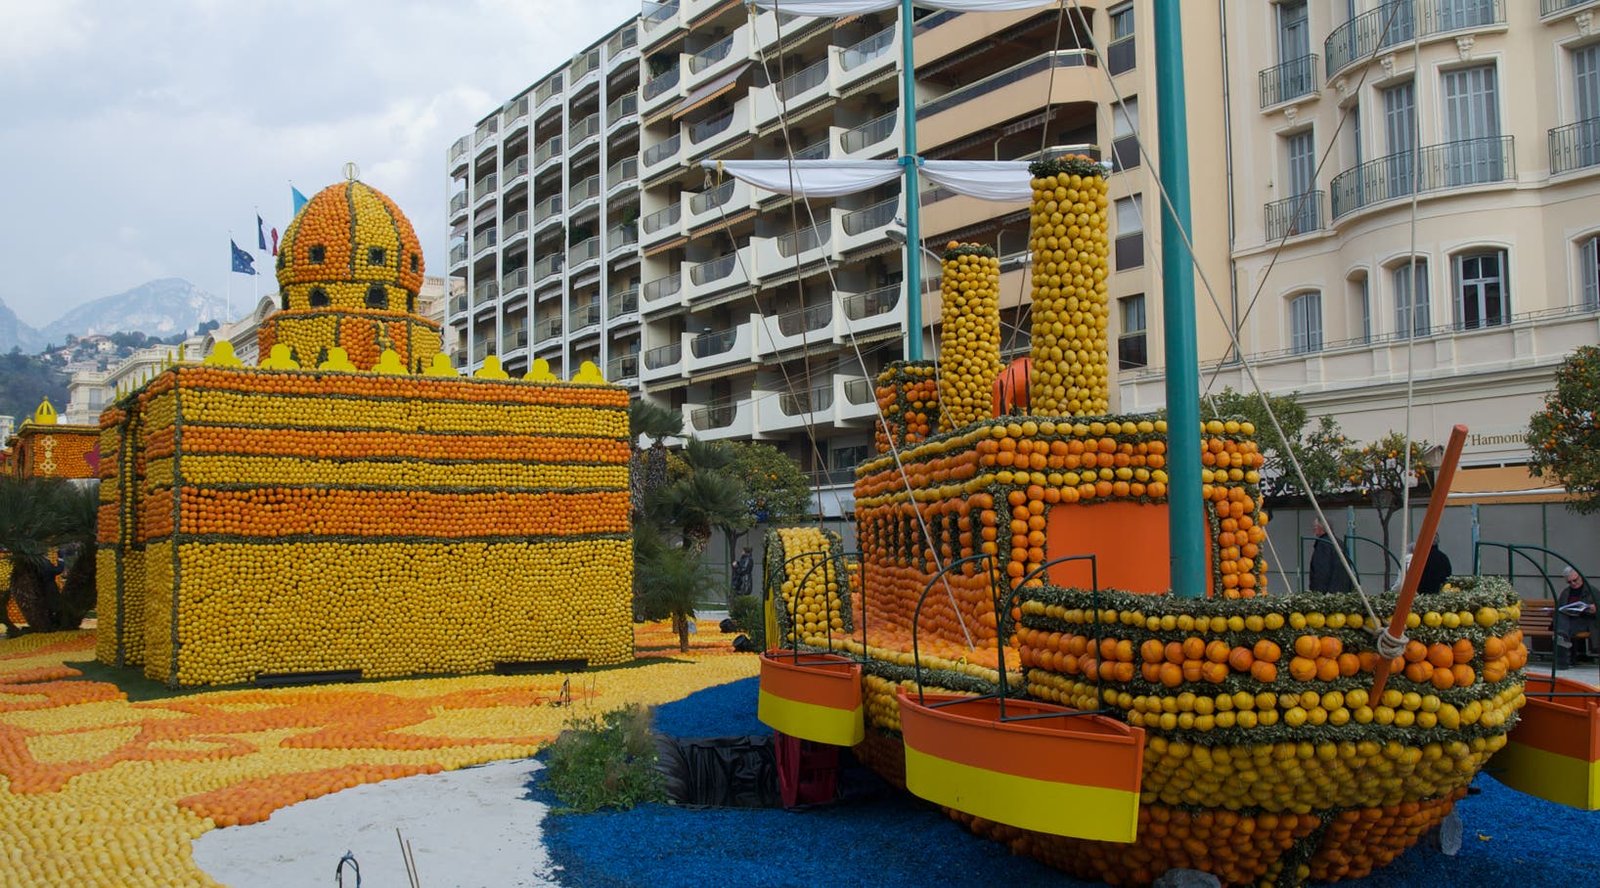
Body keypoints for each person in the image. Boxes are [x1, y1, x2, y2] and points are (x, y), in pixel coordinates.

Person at [1555, 566, 1599, 668]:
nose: (1573, 583)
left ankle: (1562, 657)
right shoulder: (1566, 592)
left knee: (1562, 628)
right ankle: (1562, 636)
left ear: (1580, 577)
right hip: (1569, 620)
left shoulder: (1592, 591)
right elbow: (1560, 607)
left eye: (1575, 580)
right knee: (1561, 616)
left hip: (1585, 620)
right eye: (1569, 582)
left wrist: (1594, 609)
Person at [1308, 520, 1353, 593]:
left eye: (1315, 527)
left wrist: (1318, 591)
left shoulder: (1323, 544)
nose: (1313, 529)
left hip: (1329, 590)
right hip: (1343, 589)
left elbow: (1321, 570)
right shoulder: (1339, 543)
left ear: (1321, 528)